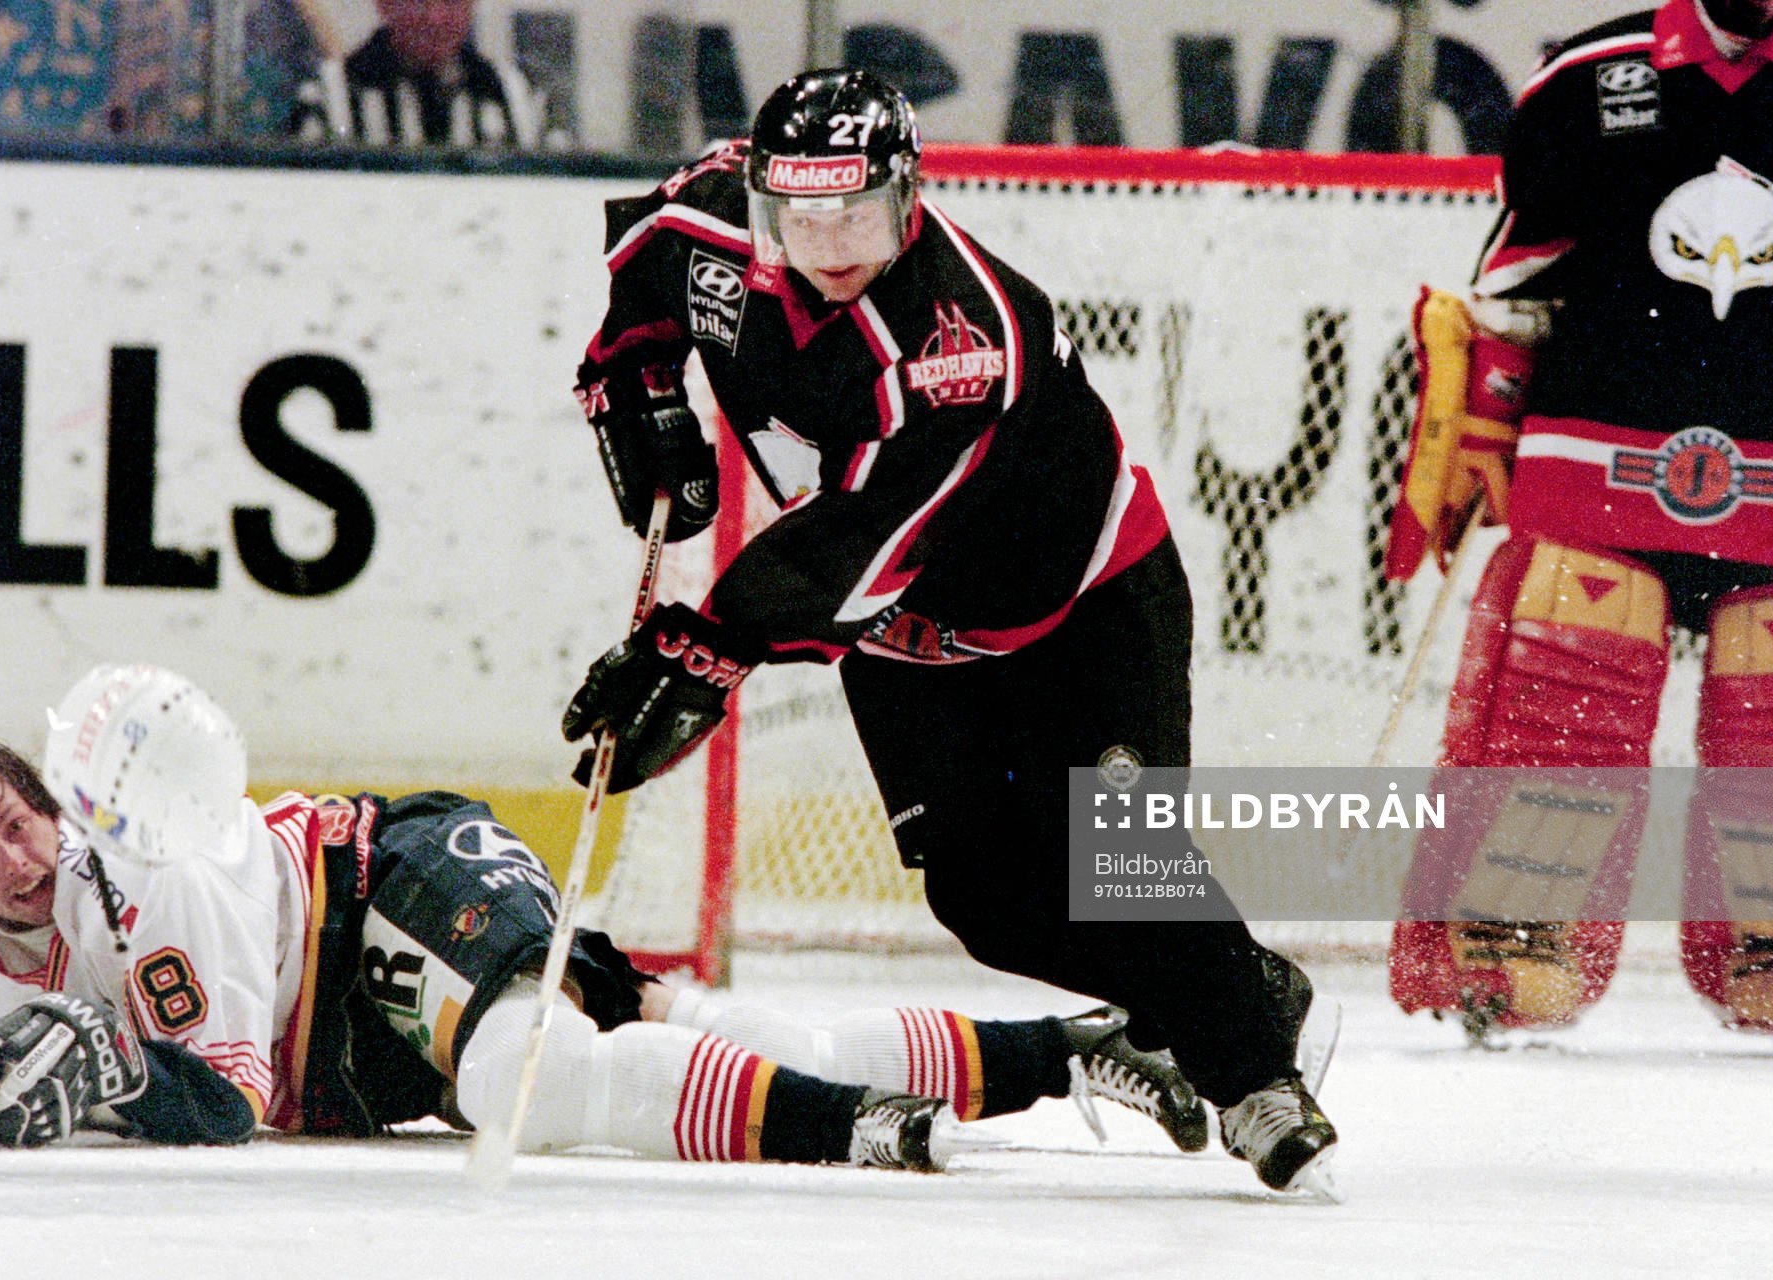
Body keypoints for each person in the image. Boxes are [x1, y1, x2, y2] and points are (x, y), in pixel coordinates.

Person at [560, 67, 1338, 1192]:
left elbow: (862, 541)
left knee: (1122, 860)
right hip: (908, 638)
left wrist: (706, 644)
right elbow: (636, 293)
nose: (828, 241)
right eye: (801, 213)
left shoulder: (959, 335)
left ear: (910, 196)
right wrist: (643, 401)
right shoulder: (706, 226)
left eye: (858, 213)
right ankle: (1233, 982)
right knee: (982, 899)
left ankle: (1259, 1078)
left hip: (1083, 601)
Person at [0, 664, 1211, 1165]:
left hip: (373, 901)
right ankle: (1076, 1050)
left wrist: (115, 1071)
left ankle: (869, 1134)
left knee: (528, 1084)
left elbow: (226, 1099)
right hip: (361, 1043)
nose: (19, 859)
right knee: (703, 1033)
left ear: (61, 808)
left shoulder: (156, 882)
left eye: (25, 823)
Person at [1385, 0, 1773, 1044]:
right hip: (1600, 447)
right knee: (1558, 707)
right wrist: (1477, 426)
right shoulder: (1587, 76)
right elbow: (1518, 278)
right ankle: (1509, 946)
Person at [289, 0, 536, 148]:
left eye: (450, 1)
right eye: (418, 2)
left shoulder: (518, 96)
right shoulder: (325, 98)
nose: (435, 18)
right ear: (384, 4)